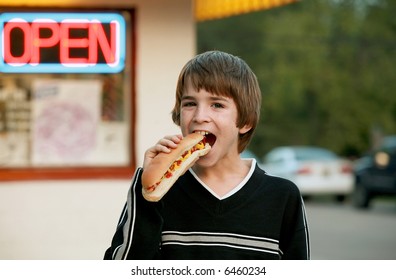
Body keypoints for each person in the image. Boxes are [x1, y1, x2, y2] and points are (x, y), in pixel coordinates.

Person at [104, 50, 310, 260]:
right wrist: (147, 192)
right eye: (190, 104)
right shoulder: (162, 192)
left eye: (217, 105)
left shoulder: (282, 197)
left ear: (245, 121)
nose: (200, 116)